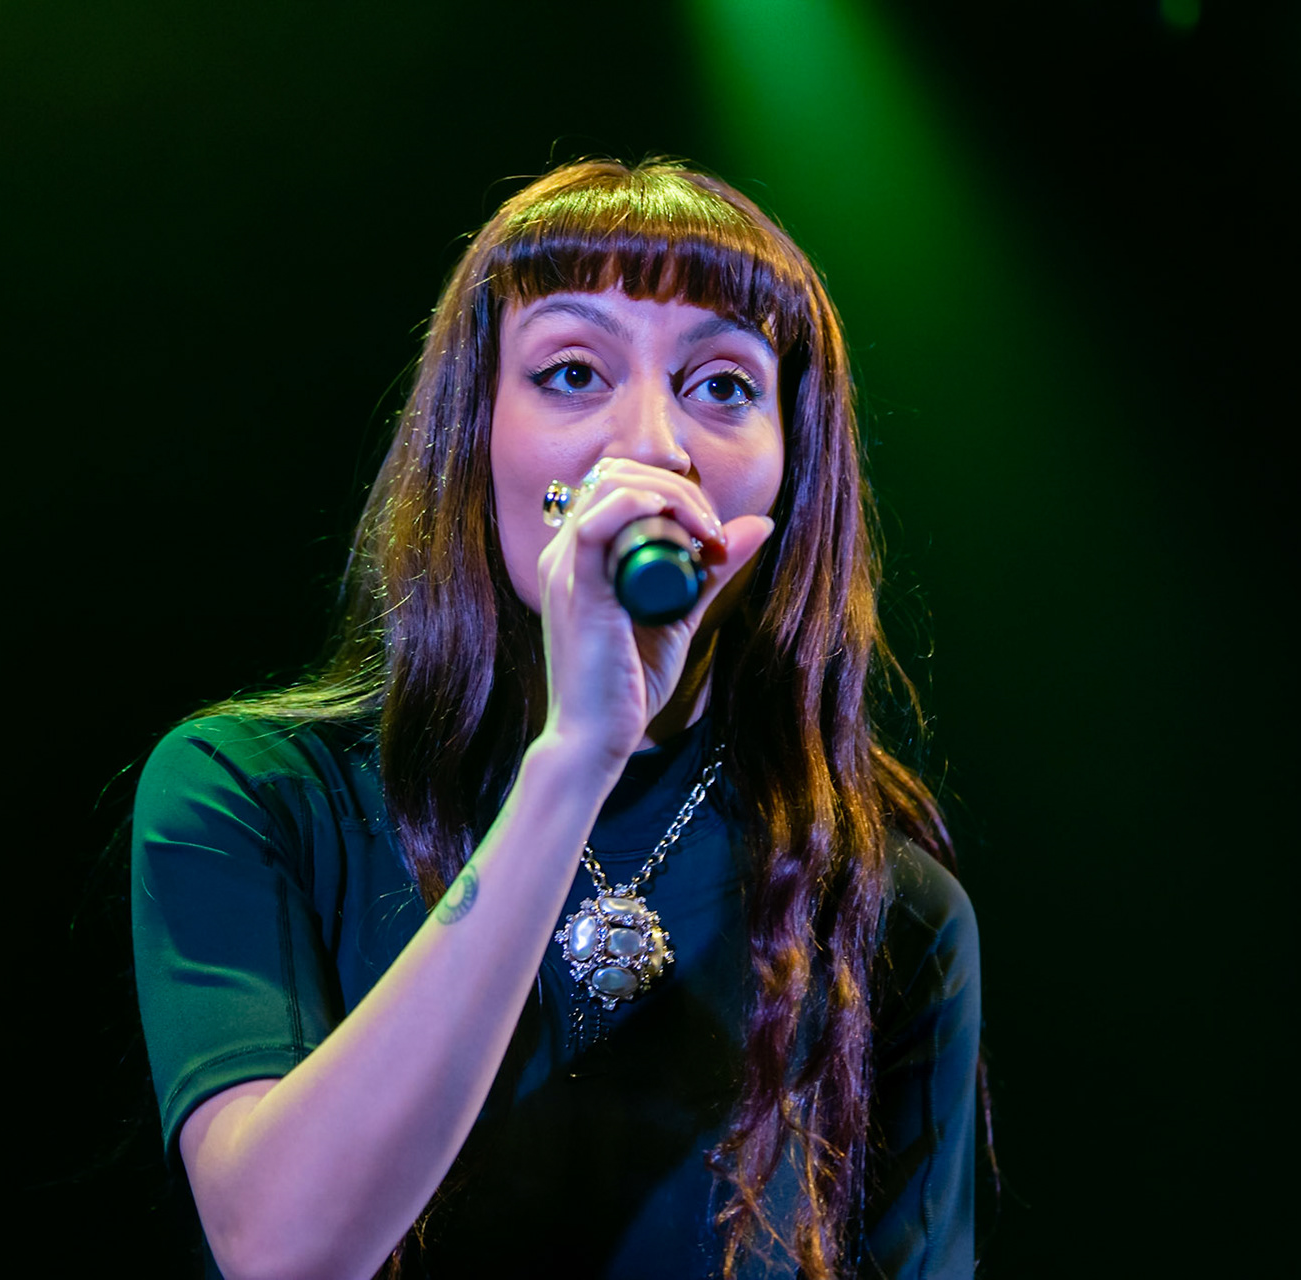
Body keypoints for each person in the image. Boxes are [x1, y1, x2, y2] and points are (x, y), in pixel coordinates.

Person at [131, 158, 981, 1280]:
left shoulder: (885, 905)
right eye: (573, 372)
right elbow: (282, 1250)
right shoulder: (256, 794)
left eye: (723, 385)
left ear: (795, 467)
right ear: (476, 430)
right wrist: (577, 754)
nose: (651, 445)